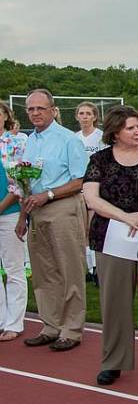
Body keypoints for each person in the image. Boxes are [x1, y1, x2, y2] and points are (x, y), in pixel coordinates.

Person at [82, 106, 138, 385]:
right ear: (115, 132)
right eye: (131, 128)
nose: (137, 131)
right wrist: (127, 217)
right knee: (114, 302)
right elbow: (91, 198)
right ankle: (113, 361)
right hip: (111, 240)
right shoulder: (100, 159)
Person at [16, 88, 89, 352]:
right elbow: (27, 179)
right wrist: (23, 215)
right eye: (31, 109)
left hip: (62, 207)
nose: (35, 113)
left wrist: (48, 194)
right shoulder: (29, 141)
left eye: (40, 108)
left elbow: (81, 180)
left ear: (53, 110)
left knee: (69, 270)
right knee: (44, 272)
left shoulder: (68, 140)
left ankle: (71, 329)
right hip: (35, 209)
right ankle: (50, 325)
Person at [0, 103, 27, 342]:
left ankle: (14, 323)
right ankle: (0, 319)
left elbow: (19, 185)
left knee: (14, 269)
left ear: (6, 117)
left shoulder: (16, 144)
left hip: (9, 213)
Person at [75, 101, 105, 282]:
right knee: (83, 229)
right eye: (81, 113)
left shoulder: (100, 137)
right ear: (77, 116)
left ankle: (98, 268)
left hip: (96, 187)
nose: (85, 117)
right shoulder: (74, 137)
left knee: (94, 227)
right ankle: (89, 267)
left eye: (88, 113)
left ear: (94, 116)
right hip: (79, 187)